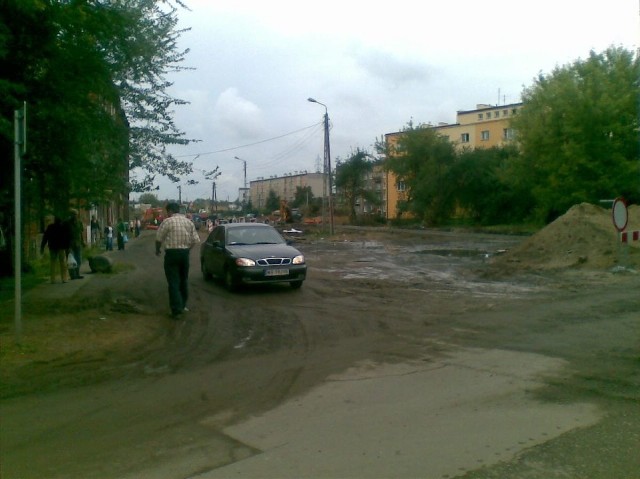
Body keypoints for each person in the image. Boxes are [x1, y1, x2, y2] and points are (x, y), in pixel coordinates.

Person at [155, 202, 200, 318]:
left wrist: (157, 250)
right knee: (183, 280)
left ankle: (176, 310)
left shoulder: (167, 222)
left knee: (173, 282)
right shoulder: (188, 222)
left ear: (170, 211)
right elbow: (195, 240)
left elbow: (159, 238)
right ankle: (183, 305)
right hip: (184, 254)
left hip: (171, 254)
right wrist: (187, 250)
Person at [40, 216, 71, 283]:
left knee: (53, 263)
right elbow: (66, 238)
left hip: (52, 247)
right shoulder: (63, 227)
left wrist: (42, 246)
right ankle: (64, 278)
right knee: (63, 263)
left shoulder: (50, 227)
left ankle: (53, 279)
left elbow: (45, 237)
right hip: (61, 247)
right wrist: (67, 247)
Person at [66, 209, 86, 279]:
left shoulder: (79, 222)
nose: (74, 216)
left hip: (78, 243)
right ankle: (72, 275)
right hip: (70, 244)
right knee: (71, 260)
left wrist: (83, 241)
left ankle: (77, 273)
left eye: (76, 214)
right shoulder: (67, 223)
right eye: (73, 214)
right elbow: (64, 235)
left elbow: (81, 232)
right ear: (70, 215)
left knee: (79, 259)